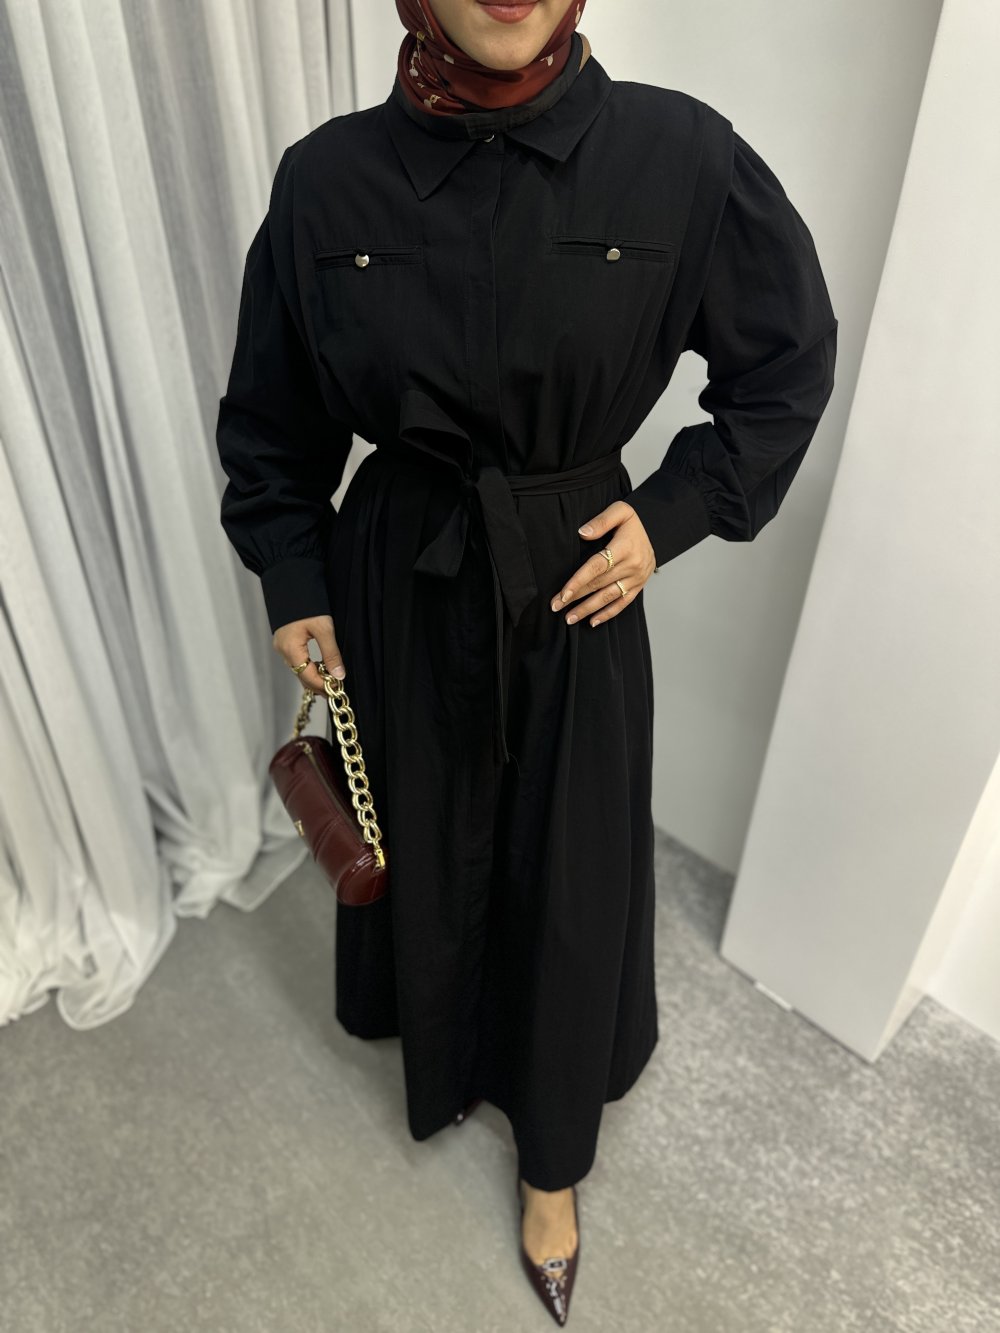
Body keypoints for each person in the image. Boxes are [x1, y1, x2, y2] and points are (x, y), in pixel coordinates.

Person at [215, 0, 838, 1323]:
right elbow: (272, 415)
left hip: (577, 577)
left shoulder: (682, 157)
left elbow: (785, 363)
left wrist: (673, 512)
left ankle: (553, 1160)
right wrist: (295, 575)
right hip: (398, 570)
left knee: (571, 871)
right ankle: (443, 1061)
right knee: (426, 838)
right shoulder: (327, 180)